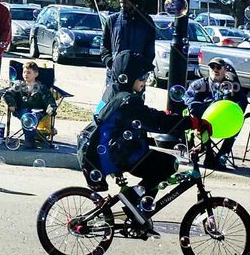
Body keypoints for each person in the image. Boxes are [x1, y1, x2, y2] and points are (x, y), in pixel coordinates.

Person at [77, 51, 188, 230]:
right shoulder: (127, 100)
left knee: (158, 162)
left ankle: (136, 207)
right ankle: (134, 203)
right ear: (129, 77)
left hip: (113, 150)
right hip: (120, 154)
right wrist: (189, 122)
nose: (144, 81)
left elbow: (137, 121)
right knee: (167, 164)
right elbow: (154, 120)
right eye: (141, 76)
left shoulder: (113, 91)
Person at [183, 57, 249, 168]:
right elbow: (189, 100)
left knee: (239, 124)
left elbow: (243, 102)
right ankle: (208, 153)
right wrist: (207, 107)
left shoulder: (232, 86)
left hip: (224, 123)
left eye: (218, 67)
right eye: (212, 67)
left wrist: (233, 109)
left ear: (225, 70)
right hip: (204, 120)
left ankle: (221, 156)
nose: (215, 70)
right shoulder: (199, 84)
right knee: (197, 119)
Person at [100, 0, 156, 85]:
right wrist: (110, 62)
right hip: (115, 74)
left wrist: (143, 68)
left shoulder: (146, 22)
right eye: (121, 2)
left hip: (136, 75)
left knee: (133, 100)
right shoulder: (112, 20)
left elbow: (150, 49)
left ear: (134, 3)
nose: (123, 6)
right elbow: (104, 46)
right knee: (111, 100)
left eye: (126, 2)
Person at [3, 61, 56, 148]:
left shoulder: (41, 87)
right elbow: (8, 94)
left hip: (38, 111)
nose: (25, 74)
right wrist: (11, 104)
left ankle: (30, 139)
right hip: (21, 110)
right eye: (24, 72)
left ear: (36, 74)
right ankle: (30, 140)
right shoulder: (19, 85)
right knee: (26, 115)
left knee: (32, 116)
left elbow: (50, 100)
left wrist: (51, 109)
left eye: (28, 72)